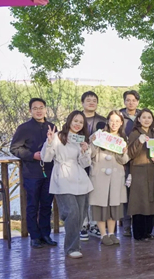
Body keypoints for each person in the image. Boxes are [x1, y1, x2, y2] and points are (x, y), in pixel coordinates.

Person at [40, 111, 92, 259]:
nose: (77, 124)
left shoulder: (82, 140)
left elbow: (85, 163)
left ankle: (75, 245)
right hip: (62, 178)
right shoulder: (58, 137)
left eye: (81, 122)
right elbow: (46, 158)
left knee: (81, 214)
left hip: (81, 179)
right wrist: (49, 142)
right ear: (69, 121)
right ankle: (71, 248)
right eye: (75, 120)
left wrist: (84, 151)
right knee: (72, 212)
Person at [10, 98, 57, 249]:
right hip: (32, 172)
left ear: (45, 109)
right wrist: (32, 155)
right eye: (35, 108)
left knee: (46, 205)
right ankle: (34, 236)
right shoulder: (24, 128)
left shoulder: (52, 127)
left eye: (41, 107)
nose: (38, 110)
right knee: (32, 206)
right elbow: (15, 148)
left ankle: (45, 234)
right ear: (30, 111)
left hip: (49, 172)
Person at [88, 110, 129, 246]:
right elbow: (91, 154)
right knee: (100, 206)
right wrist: (93, 143)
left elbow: (124, 160)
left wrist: (123, 153)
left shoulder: (122, 139)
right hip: (100, 175)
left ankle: (111, 233)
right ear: (108, 121)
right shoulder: (99, 136)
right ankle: (103, 234)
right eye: (112, 120)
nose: (114, 123)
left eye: (117, 121)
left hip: (116, 176)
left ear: (121, 123)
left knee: (114, 205)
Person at [127, 108, 154, 241]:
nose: (147, 120)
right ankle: (138, 233)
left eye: (149, 117)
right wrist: (139, 141)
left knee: (151, 202)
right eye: (144, 117)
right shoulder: (134, 133)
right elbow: (130, 153)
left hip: (152, 171)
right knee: (139, 202)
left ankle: (148, 231)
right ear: (139, 119)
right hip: (138, 171)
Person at [80, 91, 107, 240]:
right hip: (79, 162)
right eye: (88, 100)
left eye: (94, 100)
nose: (91, 102)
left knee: (96, 195)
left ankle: (95, 225)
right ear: (82, 102)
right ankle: (82, 225)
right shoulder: (76, 119)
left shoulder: (102, 121)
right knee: (82, 195)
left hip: (98, 162)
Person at [120, 90, 141, 237]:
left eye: (133, 100)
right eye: (128, 100)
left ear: (138, 102)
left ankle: (140, 223)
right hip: (124, 159)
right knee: (126, 192)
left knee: (140, 191)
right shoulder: (119, 116)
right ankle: (126, 225)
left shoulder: (142, 116)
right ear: (124, 102)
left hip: (141, 159)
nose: (131, 102)